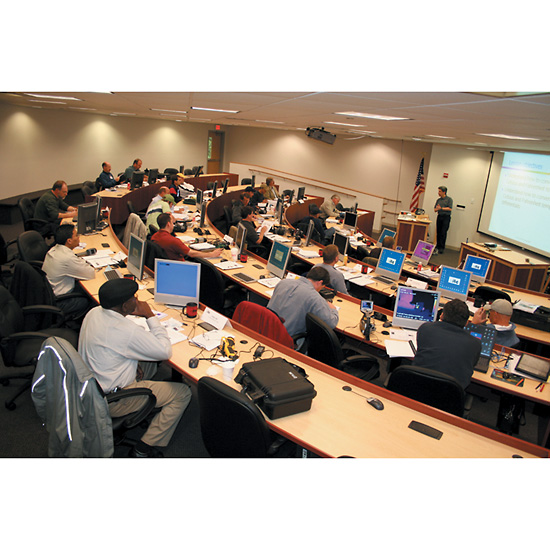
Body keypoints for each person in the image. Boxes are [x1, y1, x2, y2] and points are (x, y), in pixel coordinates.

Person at [78, 278, 192, 458]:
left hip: (92, 386)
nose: (137, 301)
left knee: (147, 361)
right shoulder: (126, 330)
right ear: (125, 306)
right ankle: (143, 448)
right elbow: (164, 351)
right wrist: (150, 316)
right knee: (183, 393)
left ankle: (150, 397)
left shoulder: (94, 313)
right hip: (113, 399)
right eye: (134, 298)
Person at [412, 298, 481, 389]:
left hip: (417, 386)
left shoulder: (425, 328)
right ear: (466, 323)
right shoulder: (475, 343)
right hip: (450, 394)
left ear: (441, 315)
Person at [267, 265, 339, 339]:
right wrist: (333, 310)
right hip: (286, 338)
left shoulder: (283, 283)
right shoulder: (315, 297)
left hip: (266, 330)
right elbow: (331, 324)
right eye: (322, 287)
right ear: (320, 282)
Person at [42, 223, 95, 319]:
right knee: (91, 297)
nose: (78, 237)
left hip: (49, 293)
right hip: (60, 300)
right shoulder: (67, 258)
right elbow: (90, 274)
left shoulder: (54, 249)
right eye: (76, 235)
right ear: (69, 241)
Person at [151, 213, 223, 261]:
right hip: (179, 266)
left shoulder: (154, 237)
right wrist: (211, 254)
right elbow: (192, 254)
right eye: (172, 223)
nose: (173, 225)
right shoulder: (173, 241)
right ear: (168, 224)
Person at [433, 185, 453, 255]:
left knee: (443, 232)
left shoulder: (449, 199)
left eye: (440, 191)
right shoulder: (438, 200)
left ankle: (441, 247)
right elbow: (435, 209)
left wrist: (441, 208)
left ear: (444, 192)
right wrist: (437, 209)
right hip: (439, 216)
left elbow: (450, 208)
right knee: (438, 232)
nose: (438, 193)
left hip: (446, 217)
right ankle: (437, 246)